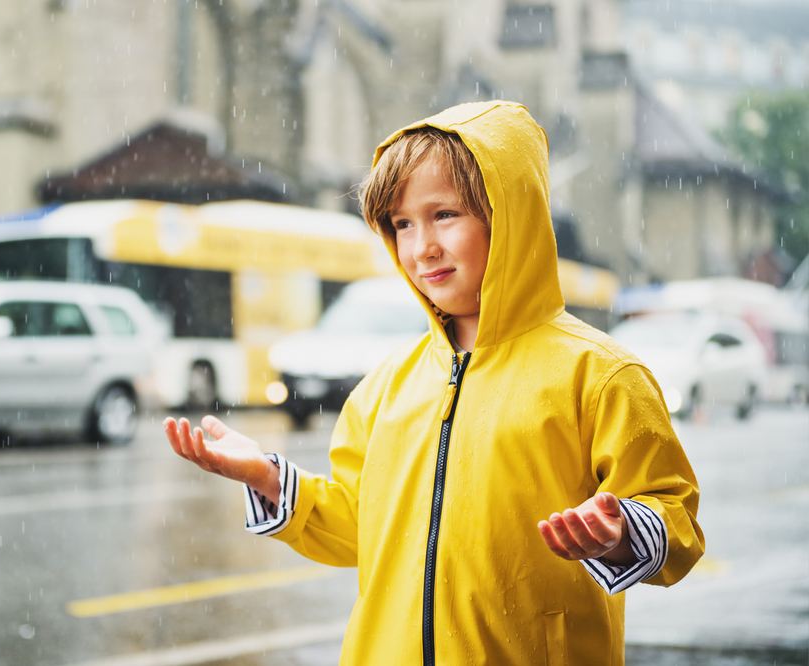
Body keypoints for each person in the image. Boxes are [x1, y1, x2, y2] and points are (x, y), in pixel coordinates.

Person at [164, 101, 703, 665]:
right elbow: (359, 526)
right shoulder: (385, 386)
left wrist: (620, 534)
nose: (422, 247)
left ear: (510, 213)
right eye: (402, 224)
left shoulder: (600, 375)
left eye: (445, 214)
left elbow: (676, 521)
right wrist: (269, 478)